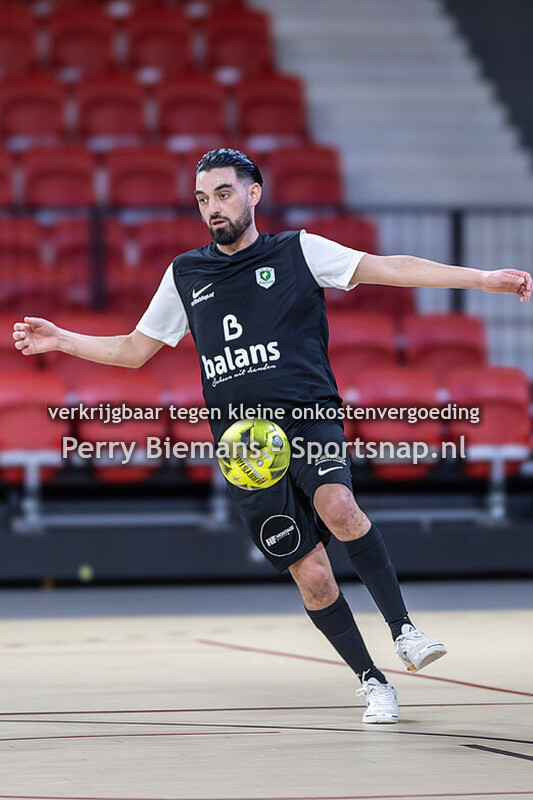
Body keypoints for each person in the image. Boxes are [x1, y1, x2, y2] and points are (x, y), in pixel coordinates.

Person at [13, 148, 532, 724]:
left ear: (254, 193)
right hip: (245, 446)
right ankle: (371, 679)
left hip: (308, 414)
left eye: (224, 193)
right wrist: (63, 340)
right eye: (203, 199)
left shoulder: (299, 251)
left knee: (338, 504)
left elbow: (394, 267)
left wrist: (482, 279)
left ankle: (404, 630)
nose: (213, 208)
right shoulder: (186, 273)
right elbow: (135, 351)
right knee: (310, 572)